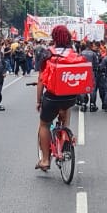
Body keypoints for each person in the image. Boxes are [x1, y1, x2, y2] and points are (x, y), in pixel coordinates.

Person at [35, 26, 87, 171]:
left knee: (44, 125)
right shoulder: (74, 54)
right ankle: (65, 142)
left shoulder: (47, 53)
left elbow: (41, 80)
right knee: (66, 115)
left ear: (54, 37)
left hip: (51, 98)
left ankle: (45, 160)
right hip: (70, 97)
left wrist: (38, 101)